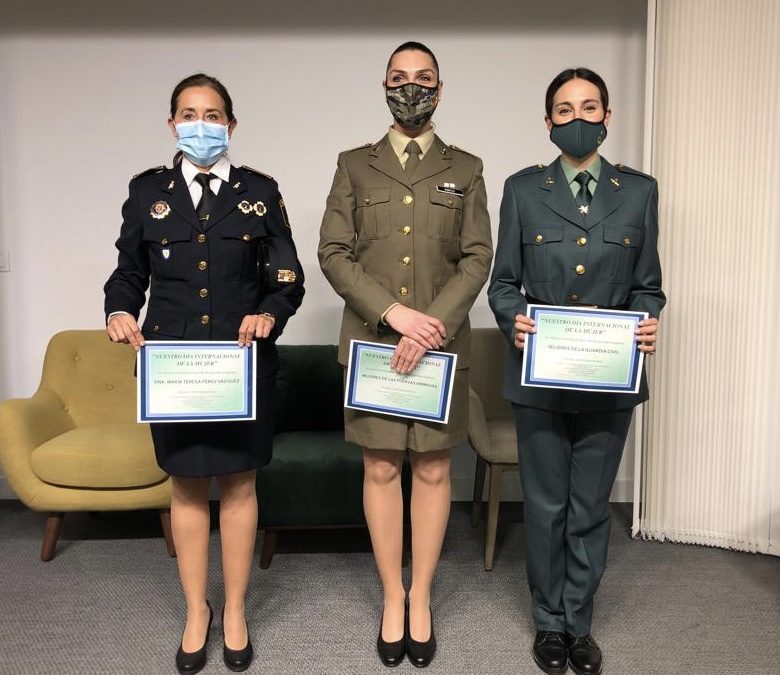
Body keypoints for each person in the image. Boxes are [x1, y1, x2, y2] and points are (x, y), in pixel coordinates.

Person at [104, 73, 304, 674]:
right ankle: (198, 610)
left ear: (231, 126)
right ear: (172, 124)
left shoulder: (260, 192)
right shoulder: (146, 193)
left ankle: (236, 609)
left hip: (241, 366)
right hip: (174, 368)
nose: (202, 124)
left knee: (240, 484)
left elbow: (287, 277)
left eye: (213, 115)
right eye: (189, 114)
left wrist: (270, 313)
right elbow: (128, 271)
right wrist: (117, 309)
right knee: (187, 486)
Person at [318, 42, 492, 668]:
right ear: (383, 87)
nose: (410, 87)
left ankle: (423, 595)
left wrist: (432, 325)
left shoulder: (466, 167)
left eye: (423, 79)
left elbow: (478, 257)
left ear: (440, 90)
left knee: (436, 471)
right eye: (399, 78)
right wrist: (394, 315)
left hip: (439, 352)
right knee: (383, 469)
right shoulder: (353, 165)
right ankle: (392, 594)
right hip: (374, 345)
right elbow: (334, 252)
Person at [488, 67, 665, 675]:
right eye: (565, 110)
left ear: (608, 116)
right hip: (539, 376)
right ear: (548, 123)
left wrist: (647, 320)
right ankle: (548, 624)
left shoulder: (638, 192)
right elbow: (503, 283)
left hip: (609, 379)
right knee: (544, 507)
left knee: (589, 507)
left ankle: (578, 623)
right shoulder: (522, 189)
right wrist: (514, 318)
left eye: (590, 107)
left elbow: (649, 287)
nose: (578, 118)